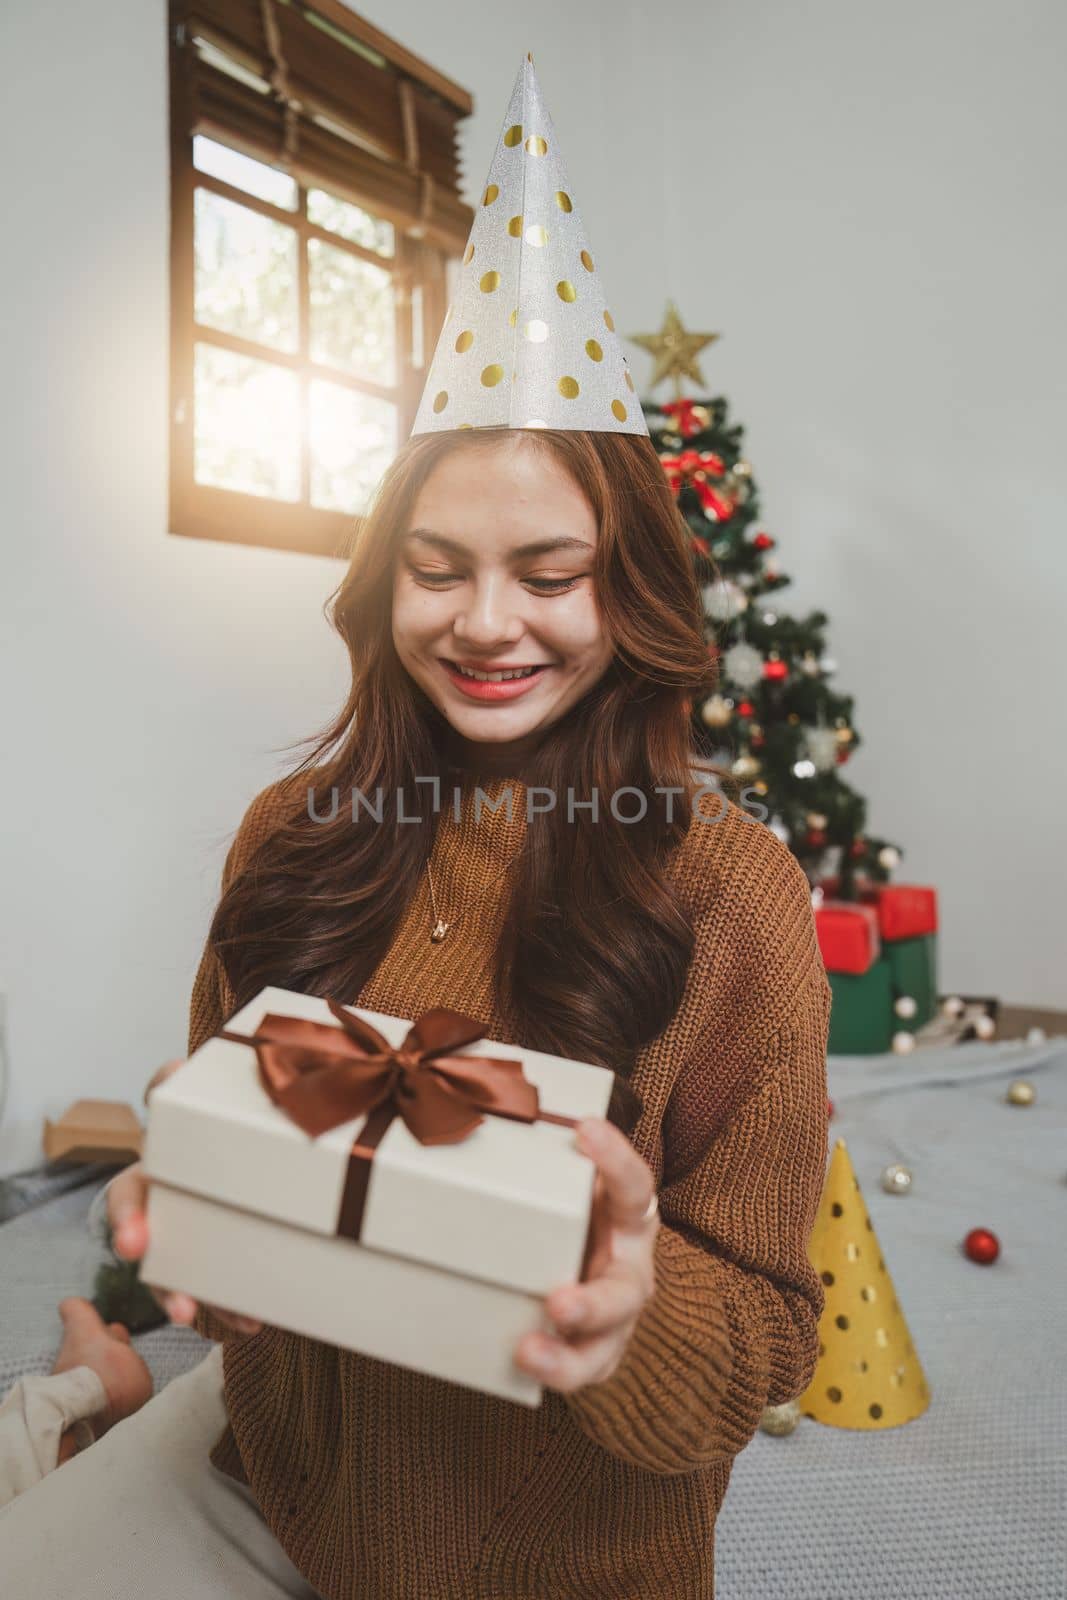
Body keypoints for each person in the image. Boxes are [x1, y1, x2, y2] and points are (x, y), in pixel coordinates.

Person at [0, 54, 830, 1600]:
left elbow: (779, 1330)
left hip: (569, 1554)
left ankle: (91, 1396)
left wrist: (633, 1306)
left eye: (549, 570)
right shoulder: (294, 831)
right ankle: (106, 1390)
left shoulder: (734, 893)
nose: (486, 623)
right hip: (282, 1478)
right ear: (382, 582)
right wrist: (203, 1217)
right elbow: (234, 1114)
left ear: (629, 588)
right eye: (437, 566)